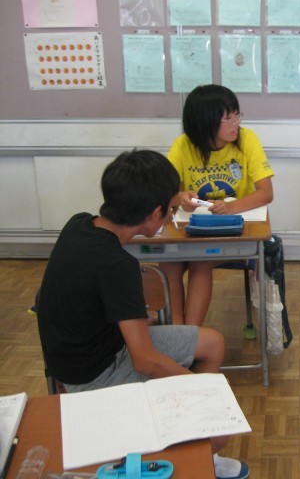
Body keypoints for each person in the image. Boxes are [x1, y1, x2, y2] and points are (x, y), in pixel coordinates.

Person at [36, 150, 250, 479]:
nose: (170, 216)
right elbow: (145, 361)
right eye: (171, 210)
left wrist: (132, 317)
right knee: (218, 428)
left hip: (102, 345)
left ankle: (200, 451)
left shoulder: (79, 224)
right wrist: (203, 389)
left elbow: (86, 295)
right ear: (154, 214)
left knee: (212, 343)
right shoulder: (117, 265)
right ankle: (191, 460)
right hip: (95, 375)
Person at [160, 84, 274, 326]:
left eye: (237, 115)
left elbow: (266, 193)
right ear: (205, 121)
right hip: (192, 229)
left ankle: (191, 335)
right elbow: (164, 194)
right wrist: (180, 198)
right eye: (228, 118)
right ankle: (176, 332)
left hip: (234, 229)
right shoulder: (183, 145)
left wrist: (231, 207)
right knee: (168, 263)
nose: (236, 123)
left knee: (201, 261)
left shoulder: (247, 139)